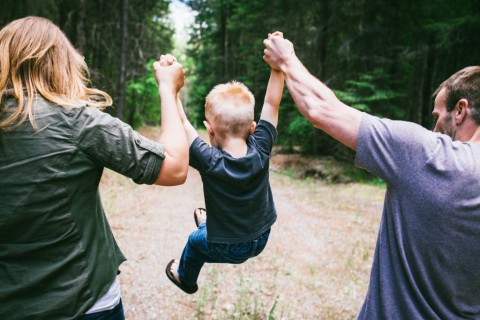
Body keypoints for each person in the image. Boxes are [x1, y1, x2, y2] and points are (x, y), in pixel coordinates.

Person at [263, 33, 480, 319]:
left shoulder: (428, 154)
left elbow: (320, 109)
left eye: (438, 115)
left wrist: (286, 59)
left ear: (461, 110)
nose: (435, 127)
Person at [0, 16, 189, 320]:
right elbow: (175, 167)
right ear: (59, 63)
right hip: (85, 305)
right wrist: (168, 90)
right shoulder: (77, 121)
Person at [164, 33, 285, 294]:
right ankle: (210, 223)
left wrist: (171, 89)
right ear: (253, 128)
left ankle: (185, 277)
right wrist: (278, 67)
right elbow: (272, 103)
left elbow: (184, 126)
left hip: (228, 244)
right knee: (208, 224)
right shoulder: (261, 146)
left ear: (209, 130)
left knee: (195, 243)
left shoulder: (208, 160)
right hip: (262, 236)